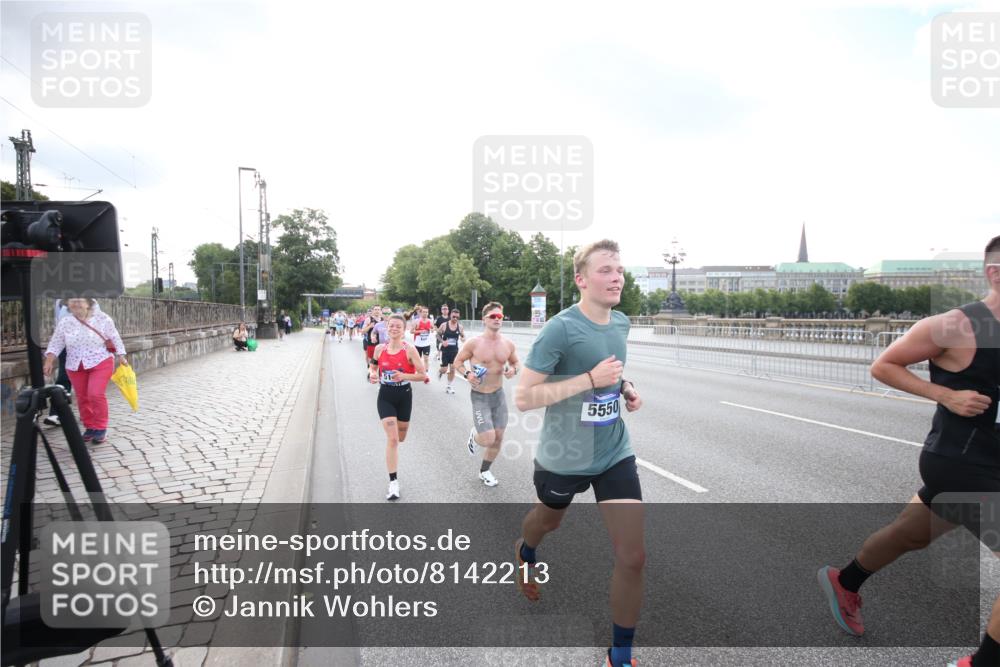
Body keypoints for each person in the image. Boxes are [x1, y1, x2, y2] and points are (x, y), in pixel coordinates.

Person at [819, 235, 1000, 667]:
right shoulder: (956, 325)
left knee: (910, 534)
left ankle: (845, 581)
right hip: (960, 462)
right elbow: (884, 365)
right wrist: (946, 395)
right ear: (995, 272)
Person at [513, 240, 644, 667]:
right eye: (606, 270)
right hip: (564, 454)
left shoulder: (621, 323)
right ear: (581, 279)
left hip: (612, 450)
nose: (617, 277)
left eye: (619, 269)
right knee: (549, 521)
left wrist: (623, 388)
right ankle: (526, 550)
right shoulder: (560, 329)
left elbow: (612, 373)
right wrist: (590, 378)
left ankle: (620, 655)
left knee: (633, 556)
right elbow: (525, 398)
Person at [43, 297, 129, 445]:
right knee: (82, 397)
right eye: (72, 300)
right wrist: (49, 360)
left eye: (79, 300)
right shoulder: (65, 321)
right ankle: (90, 427)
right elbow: (56, 342)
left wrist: (121, 355)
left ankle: (100, 428)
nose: (75, 303)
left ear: (89, 303)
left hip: (100, 360)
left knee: (95, 393)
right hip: (75, 364)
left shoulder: (103, 319)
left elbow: (115, 337)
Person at [455, 301, 520, 487]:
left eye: (500, 316)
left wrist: (512, 371)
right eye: (493, 316)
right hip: (480, 396)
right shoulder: (473, 343)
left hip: (498, 396)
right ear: (484, 319)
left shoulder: (507, 344)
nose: (497, 319)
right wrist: (467, 374)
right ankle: (475, 435)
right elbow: (457, 362)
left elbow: (516, 364)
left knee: (499, 437)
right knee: (488, 438)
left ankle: (485, 471)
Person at [368, 313, 427, 500]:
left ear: (404, 330)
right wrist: (372, 374)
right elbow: (373, 367)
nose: (394, 329)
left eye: (398, 327)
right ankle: (393, 482)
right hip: (385, 396)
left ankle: (394, 478)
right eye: (391, 326)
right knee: (392, 439)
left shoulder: (410, 350)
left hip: (404, 396)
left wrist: (404, 376)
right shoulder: (379, 349)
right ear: (386, 327)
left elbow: (422, 375)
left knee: (401, 437)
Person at [43, 299, 73, 427]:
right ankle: (56, 413)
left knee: (87, 384)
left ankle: (90, 413)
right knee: (63, 378)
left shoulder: (91, 301)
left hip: (88, 350)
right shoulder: (59, 301)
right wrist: (49, 359)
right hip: (66, 347)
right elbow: (59, 332)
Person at [437, 308, 465, 394]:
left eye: (457, 317)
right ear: (450, 316)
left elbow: (463, 336)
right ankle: (440, 371)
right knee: (444, 369)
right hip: (445, 350)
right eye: (454, 316)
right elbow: (437, 335)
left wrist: (463, 338)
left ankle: (449, 386)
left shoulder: (460, 327)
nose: (455, 318)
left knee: (453, 369)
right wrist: (442, 341)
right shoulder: (444, 325)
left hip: (454, 351)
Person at [410, 306, 434, 383]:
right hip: (418, 343)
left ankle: (426, 374)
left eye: (426, 312)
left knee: (426, 359)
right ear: (420, 313)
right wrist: (420, 331)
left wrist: (431, 330)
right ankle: (417, 371)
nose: (425, 313)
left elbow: (433, 329)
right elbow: (411, 331)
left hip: (426, 343)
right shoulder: (416, 321)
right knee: (418, 359)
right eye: (423, 312)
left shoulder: (430, 321)